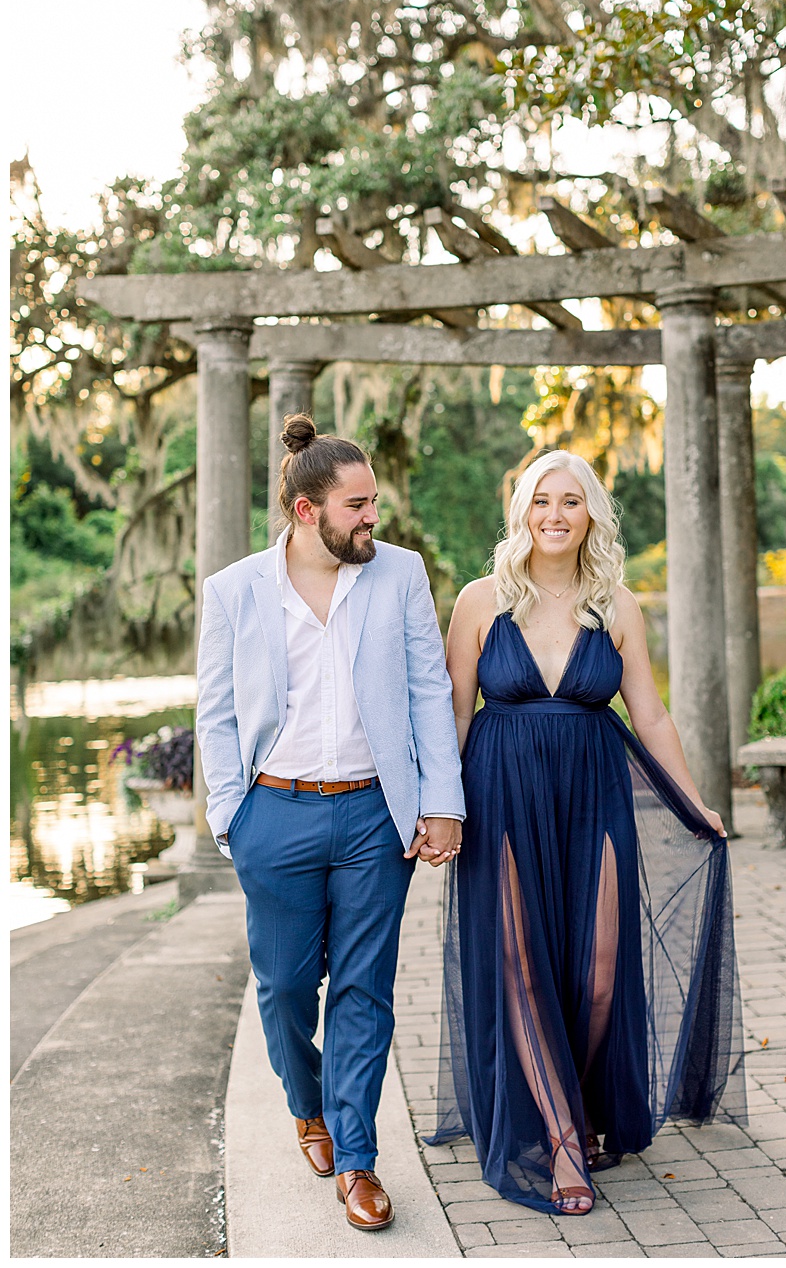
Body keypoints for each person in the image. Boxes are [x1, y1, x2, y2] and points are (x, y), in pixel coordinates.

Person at [428, 449, 745, 1216]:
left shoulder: (616, 605)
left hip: (595, 794)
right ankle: (563, 1140)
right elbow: (452, 716)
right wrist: (442, 808)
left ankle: (588, 1103)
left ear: (592, 515)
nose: (555, 516)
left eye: (571, 502)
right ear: (522, 513)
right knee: (523, 967)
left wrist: (693, 802)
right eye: (542, 501)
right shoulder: (480, 602)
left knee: (600, 968)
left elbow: (653, 715)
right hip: (501, 793)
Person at [195, 415, 465, 1232]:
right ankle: (305, 1105)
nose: (372, 517)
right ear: (307, 510)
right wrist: (229, 816)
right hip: (272, 811)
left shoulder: (401, 574)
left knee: (362, 990)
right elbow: (215, 712)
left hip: (374, 816)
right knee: (282, 988)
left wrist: (442, 802)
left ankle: (356, 1157)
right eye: (357, 504)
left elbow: (428, 689)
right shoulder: (235, 589)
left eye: (374, 501)